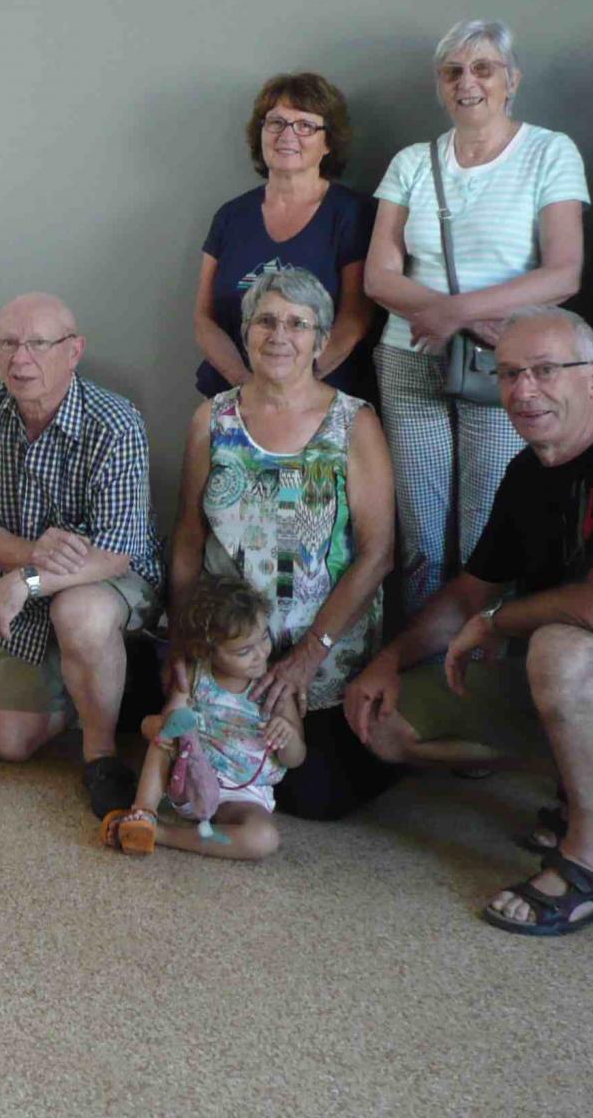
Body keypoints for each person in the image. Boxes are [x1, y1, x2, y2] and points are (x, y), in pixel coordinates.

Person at [344, 308, 593, 937]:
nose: (524, 391)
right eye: (509, 374)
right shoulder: (526, 473)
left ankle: (591, 870)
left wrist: (496, 624)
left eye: (546, 371)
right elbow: (471, 590)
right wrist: (386, 660)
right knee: (386, 728)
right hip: (578, 693)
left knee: (560, 646)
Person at [364, 19, 587, 613]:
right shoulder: (413, 161)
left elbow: (564, 273)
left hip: (505, 364)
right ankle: (417, 676)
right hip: (409, 360)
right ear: (440, 85)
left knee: (489, 530)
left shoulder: (549, 151)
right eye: (453, 71)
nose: (469, 82)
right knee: (419, 535)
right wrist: (454, 319)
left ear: (511, 80)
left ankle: (475, 672)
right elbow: (378, 277)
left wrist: (456, 313)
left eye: (483, 68)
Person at [168, 266, 398, 819]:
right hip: (231, 654)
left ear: (320, 340)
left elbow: (377, 553)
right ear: (245, 333)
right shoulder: (212, 419)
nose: (280, 335)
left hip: (324, 656)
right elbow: (188, 538)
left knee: (315, 798)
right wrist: (179, 643)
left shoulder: (353, 423)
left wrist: (306, 656)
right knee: (208, 782)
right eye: (265, 320)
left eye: (298, 323)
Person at [0, 292, 165, 821]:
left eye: (38, 344)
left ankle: (101, 754)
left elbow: (116, 553)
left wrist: (21, 581)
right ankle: (93, 679)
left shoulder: (116, 423)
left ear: (74, 351)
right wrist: (31, 555)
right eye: (7, 343)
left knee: (81, 613)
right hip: (30, 580)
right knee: (9, 742)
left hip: (110, 580)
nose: (19, 358)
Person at [193, 72, 376, 400]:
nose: (287, 135)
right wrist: (248, 387)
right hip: (234, 400)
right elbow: (205, 319)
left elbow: (356, 317)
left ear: (328, 142)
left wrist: (296, 386)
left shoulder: (353, 214)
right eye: (276, 122)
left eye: (305, 125)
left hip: (321, 401)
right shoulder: (230, 217)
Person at [104, 575, 306, 861]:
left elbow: (296, 759)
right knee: (166, 730)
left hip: (243, 796)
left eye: (263, 638)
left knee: (264, 838)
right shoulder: (197, 676)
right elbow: (171, 722)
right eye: (244, 650)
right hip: (189, 776)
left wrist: (286, 734)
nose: (260, 654)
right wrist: (166, 722)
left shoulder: (276, 690)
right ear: (207, 650)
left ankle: (160, 834)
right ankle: (143, 812)